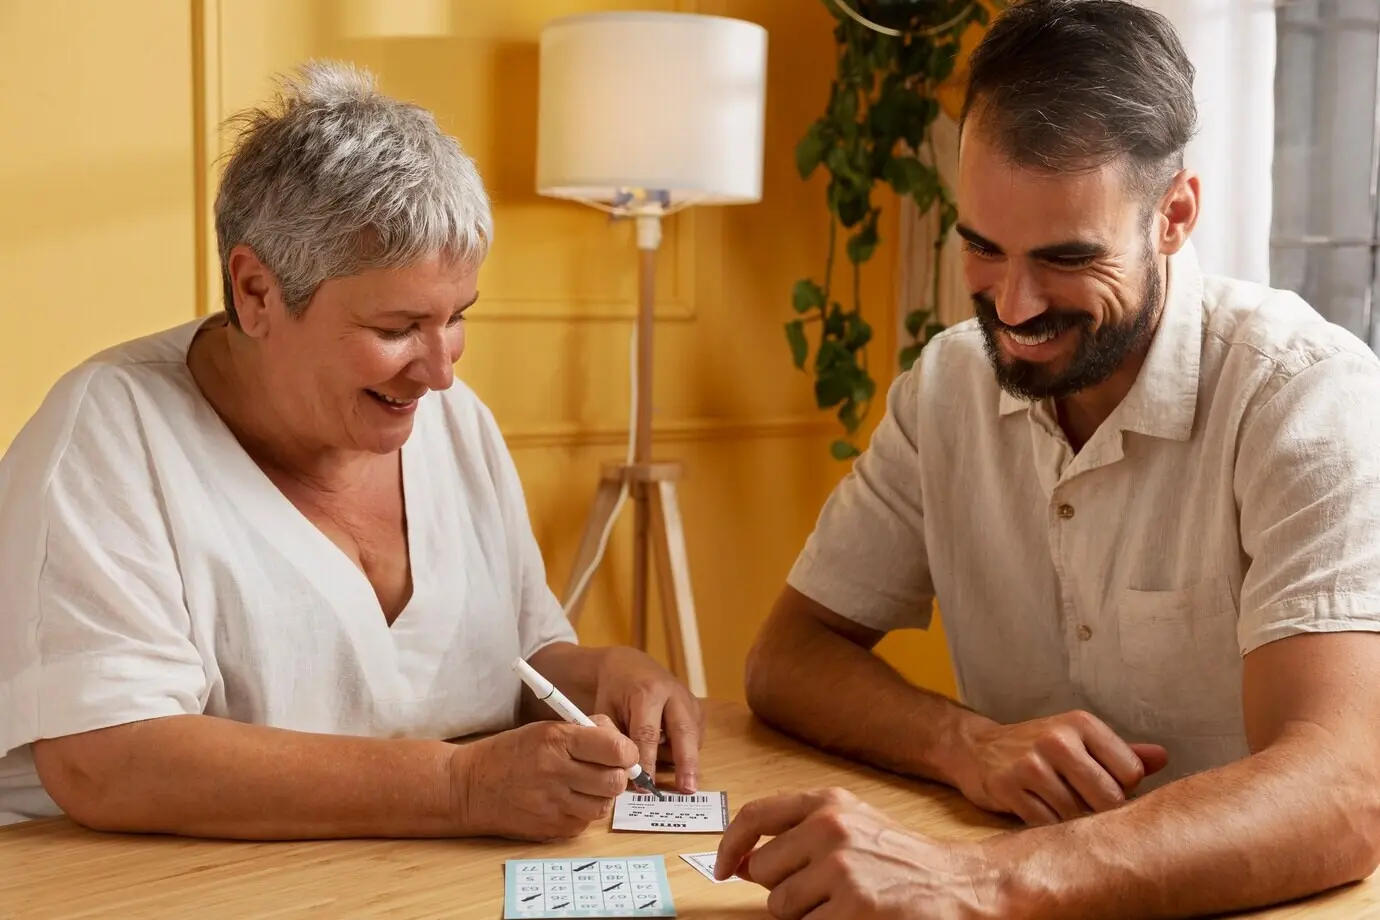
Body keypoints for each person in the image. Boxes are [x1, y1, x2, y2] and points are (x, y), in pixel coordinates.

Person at [717, 1, 1380, 917]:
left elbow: (1341, 792)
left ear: (1175, 215)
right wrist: (964, 743)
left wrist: (973, 882)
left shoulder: (1306, 392)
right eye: (982, 248)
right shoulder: (947, 382)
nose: (1016, 309)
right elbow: (788, 657)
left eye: (1067, 258)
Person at [0, 61, 702, 840]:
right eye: (396, 329)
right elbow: (106, 758)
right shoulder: (107, 437)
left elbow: (523, 654)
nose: (440, 372)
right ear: (256, 292)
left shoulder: (456, 422)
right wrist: (456, 787)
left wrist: (606, 674)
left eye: (458, 316)